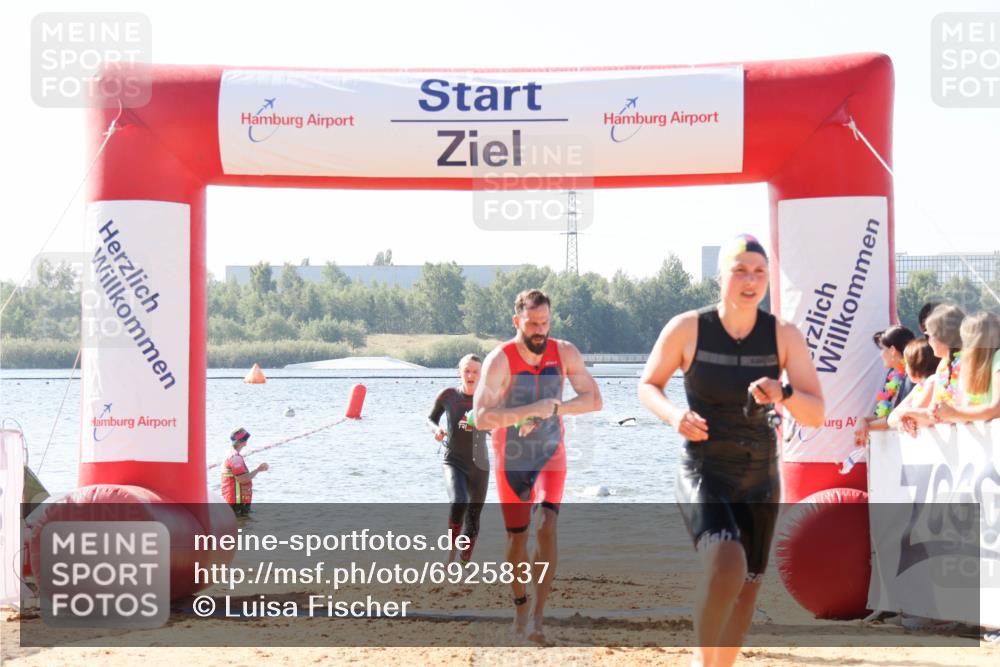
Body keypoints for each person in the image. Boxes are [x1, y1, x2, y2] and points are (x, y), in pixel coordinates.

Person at [638, 234, 824, 667]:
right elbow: (648, 385)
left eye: (759, 272)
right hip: (705, 467)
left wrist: (785, 391)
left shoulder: (783, 335)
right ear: (720, 276)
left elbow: (815, 412)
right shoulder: (688, 327)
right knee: (726, 565)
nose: (750, 280)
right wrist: (673, 415)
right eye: (740, 270)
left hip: (760, 474)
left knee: (749, 585)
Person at [473, 288, 603, 642]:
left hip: (550, 453)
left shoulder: (564, 352)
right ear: (517, 321)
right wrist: (524, 413)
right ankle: (519, 607)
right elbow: (481, 417)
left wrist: (557, 408)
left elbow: (594, 400)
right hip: (511, 458)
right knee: (517, 540)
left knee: (547, 524)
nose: (539, 331)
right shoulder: (499, 360)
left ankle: (538, 617)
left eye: (545, 323)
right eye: (532, 323)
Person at [427, 353, 489, 564]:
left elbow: (499, 427)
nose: (471, 375)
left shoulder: (488, 399)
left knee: (473, 517)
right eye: (467, 371)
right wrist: (436, 430)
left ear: (482, 374)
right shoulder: (448, 396)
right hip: (453, 460)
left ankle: (464, 562)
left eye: (475, 372)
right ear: (459, 372)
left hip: (480, 465)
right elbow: (430, 418)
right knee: (459, 501)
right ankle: (451, 552)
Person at [889, 304, 965, 436]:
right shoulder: (943, 366)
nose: (928, 341)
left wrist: (907, 413)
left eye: (929, 335)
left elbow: (956, 411)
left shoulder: (967, 363)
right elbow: (934, 412)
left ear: (944, 335)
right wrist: (906, 418)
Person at [932, 311, 1000, 423]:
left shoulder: (998, 357)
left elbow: (997, 409)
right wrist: (941, 413)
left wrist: (953, 412)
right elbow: (970, 409)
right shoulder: (979, 366)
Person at [853, 325, 916, 446]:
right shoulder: (893, 374)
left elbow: (899, 416)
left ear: (892, 350)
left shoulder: (913, 377)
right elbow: (884, 416)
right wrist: (863, 421)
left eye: (882, 349)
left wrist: (866, 427)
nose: (880, 354)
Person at [221, 427, 268, 516]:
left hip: (232, 500)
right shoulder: (235, 457)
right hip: (237, 503)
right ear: (244, 441)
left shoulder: (229, 453)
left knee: (243, 525)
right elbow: (243, 479)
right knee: (241, 527)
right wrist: (258, 469)